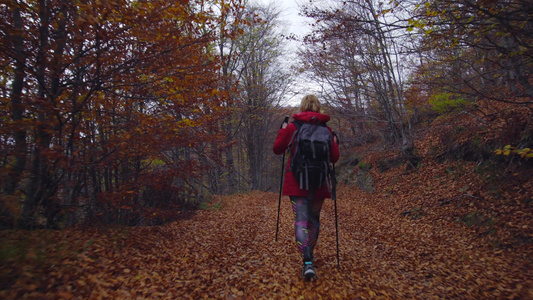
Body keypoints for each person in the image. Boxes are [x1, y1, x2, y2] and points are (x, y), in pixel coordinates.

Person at [273, 94, 340, 280]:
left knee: (301, 221)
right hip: (319, 183)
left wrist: (283, 130)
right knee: (314, 220)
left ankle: (307, 261)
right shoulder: (327, 130)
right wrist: (335, 141)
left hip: (297, 183)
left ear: (302, 107)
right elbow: (334, 158)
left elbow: (277, 149)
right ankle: (309, 253)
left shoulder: (294, 126)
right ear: (318, 108)